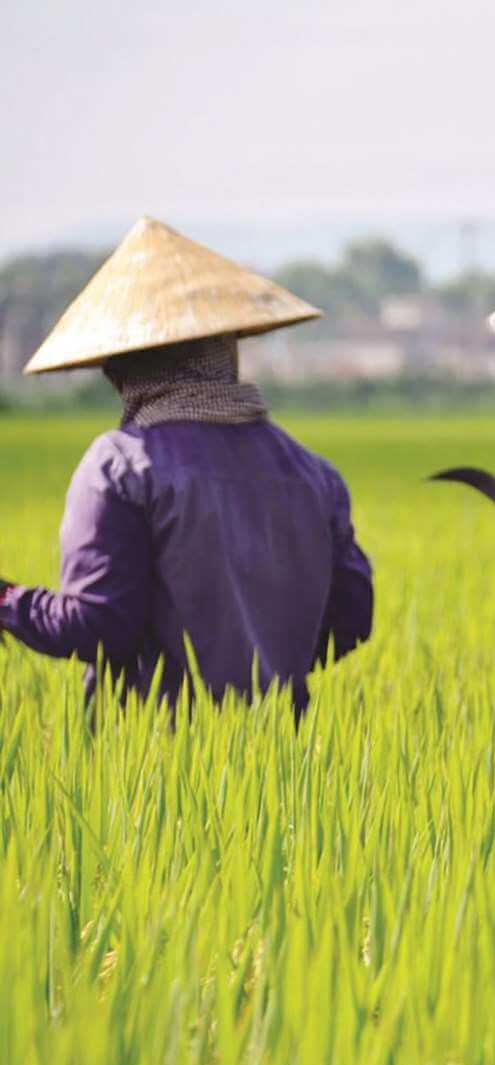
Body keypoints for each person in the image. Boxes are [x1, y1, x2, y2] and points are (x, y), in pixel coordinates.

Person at [0, 217, 373, 715]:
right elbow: (350, 616)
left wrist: (7, 601)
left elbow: (97, 627)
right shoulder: (314, 473)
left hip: (149, 769)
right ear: (225, 351)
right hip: (285, 768)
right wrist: (264, 670)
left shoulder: (122, 466)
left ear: (123, 366)